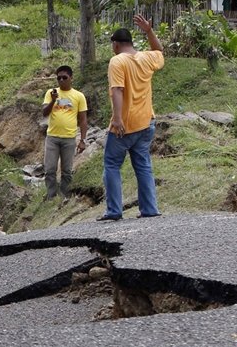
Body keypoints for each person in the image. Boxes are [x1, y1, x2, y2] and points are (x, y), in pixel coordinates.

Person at [98, 15, 165, 221]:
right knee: (143, 165)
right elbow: (160, 51)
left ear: (116, 44)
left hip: (126, 124)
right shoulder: (146, 57)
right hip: (147, 122)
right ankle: (149, 208)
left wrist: (117, 119)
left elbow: (117, 89)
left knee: (111, 164)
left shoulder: (117, 61)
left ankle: (114, 210)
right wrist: (149, 31)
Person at [41, 65, 88, 201]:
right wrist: (53, 100)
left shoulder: (79, 96)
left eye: (64, 77)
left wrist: (83, 140)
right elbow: (44, 113)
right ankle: (51, 196)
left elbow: (83, 119)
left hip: (69, 138)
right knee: (50, 169)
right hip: (52, 138)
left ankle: (64, 196)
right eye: (59, 78)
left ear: (71, 78)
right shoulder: (51, 93)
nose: (61, 80)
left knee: (67, 171)